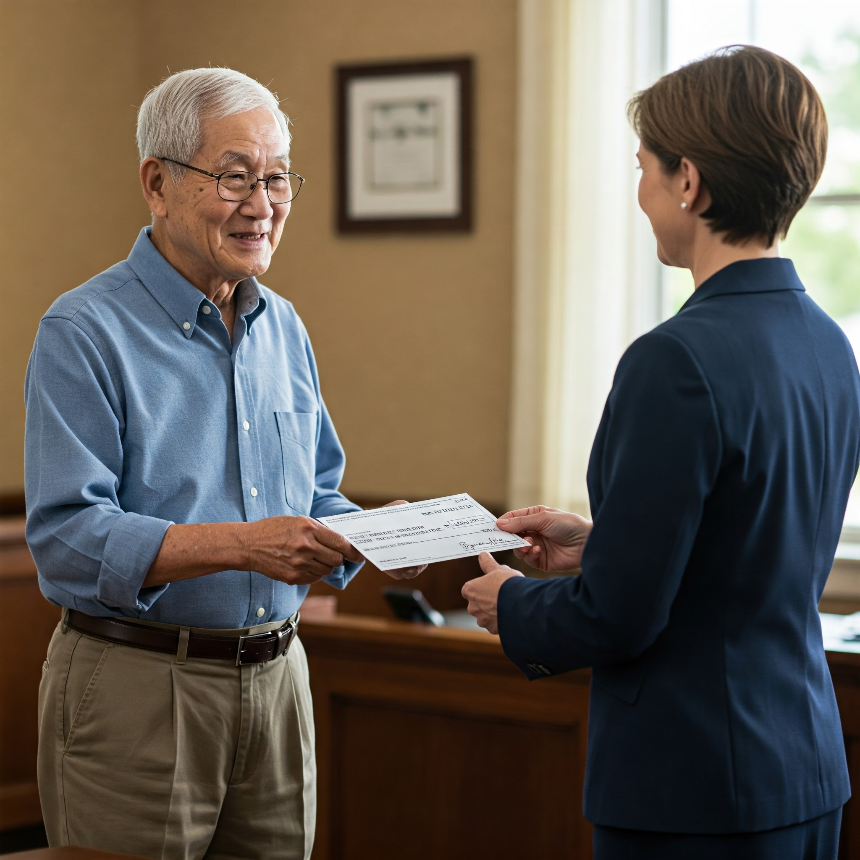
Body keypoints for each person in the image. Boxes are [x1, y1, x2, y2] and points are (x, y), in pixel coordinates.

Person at [463, 45, 860, 859]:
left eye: (643, 166)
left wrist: (511, 605)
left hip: (694, 790)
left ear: (689, 180)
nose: (640, 192)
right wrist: (600, 548)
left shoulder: (673, 360)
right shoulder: (829, 343)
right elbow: (740, 553)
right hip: (805, 768)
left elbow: (620, 618)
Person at [25, 67, 423, 860]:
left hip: (281, 682)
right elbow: (67, 539)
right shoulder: (82, 330)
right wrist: (244, 545)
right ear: (158, 183)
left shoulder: (285, 329)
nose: (264, 204)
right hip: (138, 687)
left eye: (278, 179)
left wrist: (401, 535)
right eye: (236, 177)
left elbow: (316, 496)